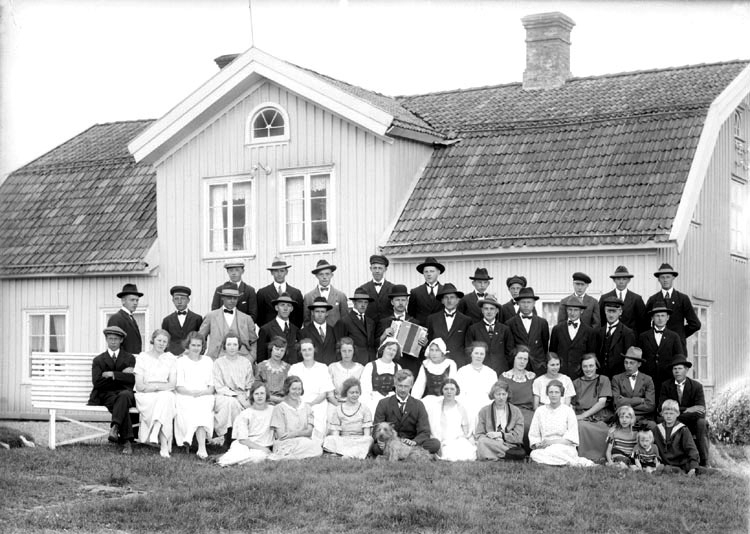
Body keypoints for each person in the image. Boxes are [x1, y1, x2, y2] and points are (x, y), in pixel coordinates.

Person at [87, 325, 137, 454]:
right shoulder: (98, 360)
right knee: (121, 401)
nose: (113, 342)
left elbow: (132, 380)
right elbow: (97, 383)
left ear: (121, 340)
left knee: (124, 396)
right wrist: (121, 375)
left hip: (125, 393)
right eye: (110, 339)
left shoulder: (130, 358)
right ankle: (126, 442)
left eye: (116, 339)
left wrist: (112, 374)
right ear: (106, 339)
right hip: (106, 395)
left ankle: (115, 426)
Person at [371, 369, 441, 456]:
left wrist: (414, 441)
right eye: (400, 386)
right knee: (376, 448)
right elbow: (376, 427)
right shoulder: (383, 403)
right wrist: (381, 441)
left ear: (411, 386)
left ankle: (404, 453)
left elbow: (425, 431)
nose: (403, 390)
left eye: (406, 386)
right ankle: (407, 454)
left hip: (411, 443)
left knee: (435, 444)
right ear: (395, 384)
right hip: (390, 443)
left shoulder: (418, 404)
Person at [528, 380, 595, 466]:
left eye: (556, 392)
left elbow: (571, 438)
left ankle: (563, 462)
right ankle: (570, 462)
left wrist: (551, 442)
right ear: (547, 394)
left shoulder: (568, 411)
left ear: (561, 394)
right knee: (534, 454)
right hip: (545, 447)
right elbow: (534, 434)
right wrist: (538, 444)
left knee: (555, 450)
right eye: (551, 392)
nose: (553, 395)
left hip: (564, 446)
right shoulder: (540, 411)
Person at [659, 355, 709, 467]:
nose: (677, 371)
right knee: (661, 420)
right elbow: (661, 407)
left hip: (691, 422)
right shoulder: (666, 386)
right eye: (674, 369)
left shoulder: (696, 386)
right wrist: (687, 409)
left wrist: (676, 412)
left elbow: (701, 411)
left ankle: (704, 461)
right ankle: (668, 460)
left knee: (702, 423)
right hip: (672, 420)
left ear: (686, 370)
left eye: (680, 368)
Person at [134, 329, 177, 458]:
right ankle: (163, 445)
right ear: (153, 340)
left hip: (162, 394)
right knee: (166, 399)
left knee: (166, 397)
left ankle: (156, 431)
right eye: (159, 340)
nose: (161, 343)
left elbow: (172, 384)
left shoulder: (170, 358)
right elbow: (140, 386)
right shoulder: (142, 357)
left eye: (164, 341)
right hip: (145, 396)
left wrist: (154, 387)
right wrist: (159, 387)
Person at [174, 332, 215, 460]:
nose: (196, 348)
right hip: (185, 395)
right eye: (193, 345)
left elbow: (211, 387)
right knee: (194, 405)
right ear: (188, 345)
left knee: (202, 404)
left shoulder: (208, 361)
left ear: (202, 346)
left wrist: (200, 393)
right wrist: (192, 393)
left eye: (199, 345)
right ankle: (201, 447)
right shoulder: (181, 361)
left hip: (204, 395)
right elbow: (179, 387)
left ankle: (193, 440)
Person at [645, 263, 701, 353]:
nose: (665, 280)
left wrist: (679, 335)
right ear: (658, 279)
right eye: (662, 277)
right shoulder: (653, 299)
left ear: (673, 278)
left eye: (668, 277)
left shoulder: (682, 299)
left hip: (677, 346)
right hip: (657, 348)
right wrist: (655, 336)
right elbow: (645, 323)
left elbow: (695, 324)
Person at [217, 382, 275, 466]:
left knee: (258, 457)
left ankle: (226, 462)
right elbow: (242, 440)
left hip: (262, 447)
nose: (259, 396)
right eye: (256, 394)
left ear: (266, 395)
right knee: (241, 452)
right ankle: (222, 462)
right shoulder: (245, 414)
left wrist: (265, 448)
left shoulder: (273, 411)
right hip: (244, 444)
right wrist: (263, 449)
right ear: (252, 396)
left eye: (262, 393)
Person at [288, 339, 336, 439]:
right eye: (304, 350)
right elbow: (291, 391)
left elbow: (324, 393)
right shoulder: (294, 368)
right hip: (298, 403)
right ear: (300, 352)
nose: (307, 352)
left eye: (309, 349)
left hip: (318, 404)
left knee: (317, 431)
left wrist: (311, 404)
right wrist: (301, 404)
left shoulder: (322, 368)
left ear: (314, 350)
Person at [213, 334, 255, 448]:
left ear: (239, 346)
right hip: (224, 395)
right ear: (225, 346)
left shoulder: (245, 362)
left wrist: (247, 395)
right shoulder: (218, 363)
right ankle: (229, 437)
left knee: (246, 405)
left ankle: (242, 438)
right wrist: (236, 396)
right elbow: (219, 386)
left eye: (235, 344)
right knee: (231, 403)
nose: (232, 347)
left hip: (243, 395)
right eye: (229, 344)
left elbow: (250, 383)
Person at [269, 376, 324, 460]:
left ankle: (288, 457)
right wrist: (301, 433)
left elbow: (309, 432)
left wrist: (294, 434)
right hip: (285, 443)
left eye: (299, 389)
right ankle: (287, 455)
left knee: (316, 448)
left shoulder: (307, 407)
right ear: (287, 389)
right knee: (312, 447)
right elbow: (281, 435)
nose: (297, 392)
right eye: (294, 389)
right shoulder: (279, 408)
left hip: (304, 441)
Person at [572, 353, 613, 462]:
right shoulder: (576, 383)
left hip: (598, 415)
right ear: (581, 367)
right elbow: (572, 404)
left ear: (596, 366)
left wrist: (583, 415)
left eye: (591, 366)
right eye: (585, 366)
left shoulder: (604, 380)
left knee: (605, 430)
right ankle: (583, 457)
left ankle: (600, 456)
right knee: (580, 426)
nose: (588, 369)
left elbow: (602, 403)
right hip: (580, 415)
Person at [199, 283, 258, 360]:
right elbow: (200, 338)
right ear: (222, 298)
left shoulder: (247, 319)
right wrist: (200, 357)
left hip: (242, 359)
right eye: (229, 298)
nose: (232, 301)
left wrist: (251, 357)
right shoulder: (211, 316)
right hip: (216, 359)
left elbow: (253, 341)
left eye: (235, 298)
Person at [424, 378, 476, 461]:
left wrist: (469, 440)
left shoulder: (461, 408)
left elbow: (466, 430)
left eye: (452, 389)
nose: (449, 392)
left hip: (457, 439)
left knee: (465, 452)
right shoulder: (434, 408)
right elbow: (431, 427)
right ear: (442, 390)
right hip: (440, 439)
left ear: (456, 390)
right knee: (446, 452)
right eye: (446, 389)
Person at [376, 284, 423, 376]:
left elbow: (419, 350)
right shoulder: (383, 322)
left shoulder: (415, 322)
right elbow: (376, 345)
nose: (400, 303)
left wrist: (422, 344)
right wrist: (383, 335)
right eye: (397, 300)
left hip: (409, 364)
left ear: (407, 302)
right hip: (389, 364)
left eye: (403, 300)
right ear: (392, 302)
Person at [475, 380, 526, 461]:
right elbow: (479, 434)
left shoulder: (516, 411)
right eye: (498, 394)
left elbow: (518, 436)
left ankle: (494, 456)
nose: (501, 397)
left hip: (508, 445)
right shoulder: (484, 411)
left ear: (507, 394)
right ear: (493, 395)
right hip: (490, 443)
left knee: (483, 447)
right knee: (482, 442)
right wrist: (493, 439)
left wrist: (501, 436)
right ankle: (508, 456)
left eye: (504, 394)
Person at [323, 378, 374, 458]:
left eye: (357, 392)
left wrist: (364, 439)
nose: (355, 395)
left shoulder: (364, 408)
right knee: (329, 439)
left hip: (359, 440)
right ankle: (354, 454)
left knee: (369, 440)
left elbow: (367, 434)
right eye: (352, 392)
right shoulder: (338, 409)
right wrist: (337, 441)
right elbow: (335, 433)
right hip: (344, 439)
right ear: (345, 393)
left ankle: (342, 454)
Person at [638, 302, 683, 390]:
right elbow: (639, 358)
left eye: (663, 316)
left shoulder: (674, 336)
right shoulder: (643, 336)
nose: (660, 318)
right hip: (647, 380)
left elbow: (679, 358)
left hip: (668, 380)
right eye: (657, 316)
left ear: (667, 317)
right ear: (652, 318)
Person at [455, 341, 498, 433]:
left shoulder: (491, 373)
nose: (479, 356)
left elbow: (493, 394)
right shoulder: (462, 371)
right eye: (476, 353)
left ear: (485, 355)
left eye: (482, 354)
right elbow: (458, 394)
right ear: (471, 354)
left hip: (485, 403)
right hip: (467, 402)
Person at [549, 297, 597, 378]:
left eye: (576, 310)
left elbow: (591, 356)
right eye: (570, 310)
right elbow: (552, 354)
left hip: (581, 375)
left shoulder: (589, 331)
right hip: (561, 374)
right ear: (566, 310)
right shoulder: (557, 329)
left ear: (581, 311)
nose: (572, 313)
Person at [426, 283, 472, 368]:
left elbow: (468, 346)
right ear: (442, 301)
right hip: (437, 363)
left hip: (459, 363)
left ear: (458, 300)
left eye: (452, 297)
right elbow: (428, 342)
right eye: (446, 298)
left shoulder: (466, 321)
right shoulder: (432, 319)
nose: (449, 301)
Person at [505, 287, 549, 374]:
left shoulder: (542, 322)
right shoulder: (510, 323)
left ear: (534, 303)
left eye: (529, 302)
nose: (526, 305)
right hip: (519, 366)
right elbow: (509, 348)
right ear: (518, 303)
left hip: (538, 366)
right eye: (523, 302)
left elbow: (545, 345)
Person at [465, 295, 514, 374]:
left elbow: (510, 352)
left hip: (500, 370)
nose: (489, 311)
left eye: (492, 309)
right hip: (480, 370)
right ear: (482, 310)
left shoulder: (505, 329)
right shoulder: (473, 329)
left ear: (497, 311)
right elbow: (469, 352)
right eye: (486, 308)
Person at [500, 346, 537, 449]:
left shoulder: (532, 377)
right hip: (509, 411)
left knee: (529, 425)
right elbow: (500, 397)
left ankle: (529, 451)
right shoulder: (505, 376)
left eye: (525, 359)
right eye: (520, 358)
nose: (522, 362)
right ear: (514, 358)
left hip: (528, 411)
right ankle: (512, 451)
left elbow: (536, 398)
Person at [653, 399, 700, 475]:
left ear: (677, 414)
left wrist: (693, 467)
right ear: (662, 414)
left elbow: (691, 449)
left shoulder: (683, 429)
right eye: (666, 413)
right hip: (663, 463)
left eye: (671, 413)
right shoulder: (657, 429)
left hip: (680, 463)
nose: (668, 416)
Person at [256, 257, 304, 328]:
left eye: (282, 271)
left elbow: (299, 317)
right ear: (271, 272)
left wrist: (293, 331)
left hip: (290, 332)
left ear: (286, 272)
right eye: (276, 271)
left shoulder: (296, 293)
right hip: (270, 332)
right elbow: (259, 317)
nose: (279, 274)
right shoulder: (263, 293)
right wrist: (267, 330)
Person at [611, 347, 656, 424]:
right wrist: (640, 400)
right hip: (622, 418)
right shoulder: (616, 379)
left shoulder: (647, 379)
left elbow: (650, 405)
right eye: (626, 362)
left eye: (631, 363)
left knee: (652, 426)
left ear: (639, 364)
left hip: (642, 419)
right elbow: (616, 403)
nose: (628, 366)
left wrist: (625, 402)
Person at [598, 265, 648, 334]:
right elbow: (600, 320)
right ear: (614, 280)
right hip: (611, 336)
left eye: (624, 279)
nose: (621, 282)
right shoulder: (605, 298)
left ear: (629, 280)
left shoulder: (636, 299)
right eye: (618, 279)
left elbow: (643, 322)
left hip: (631, 337)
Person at [334, 287, 377, 365]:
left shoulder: (370, 322)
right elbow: (339, 346)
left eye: (366, 302)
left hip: (370, 361)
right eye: (360, 302)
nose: (363, 305)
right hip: (354, 362)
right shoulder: (344, 321)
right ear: (354, 302)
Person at [597, 296, 636, 378]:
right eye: (609, 311)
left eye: (614, 311)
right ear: (605, 311)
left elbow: (629, 358)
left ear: (620, 312)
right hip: (601, 376)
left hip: (619, 377)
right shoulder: (599, 332)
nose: (611, 315)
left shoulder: (627, 333)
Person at [360, 338, 402, 415]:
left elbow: (400, 388)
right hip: (373, 401)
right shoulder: (370, 366)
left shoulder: (398, 368)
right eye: (389, 348)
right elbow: (365, 389)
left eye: (394, 350)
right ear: (383, 349)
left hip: (391, 401)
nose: (391, 352)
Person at [256, 293, 302, 364]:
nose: (285, 308)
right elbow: (261, 357)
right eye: (282, 305)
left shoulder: (296, 330)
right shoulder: (266, 329)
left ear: (292, 309)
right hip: (274, 369)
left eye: (289, 305)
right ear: (276, 308)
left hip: (293, 369)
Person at [302, 259, 348, 326]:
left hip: (335, 332)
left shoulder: (341, 296)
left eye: (327, 274)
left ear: (332, 275)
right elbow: (307, 320)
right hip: (315, 332)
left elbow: (345, 319)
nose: (324, 277)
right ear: (316, 276)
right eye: (321, 274)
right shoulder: (308, 297)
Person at [161, 285, 203, 355]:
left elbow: (202, 340)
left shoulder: (197, 319)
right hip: (172, 357)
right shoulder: (167, 320)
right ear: (173, 300)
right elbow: (164, 340)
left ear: (188, 300)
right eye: (176, 299)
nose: (179, 302)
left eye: (183, 299)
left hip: (191, 356)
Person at [408, 256, 446, 326]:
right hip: (422, 329)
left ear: (438, 272)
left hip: (441, 328)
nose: (429, 274)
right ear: (423, 273)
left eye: (432, 271)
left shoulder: (445, 291)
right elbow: (411, 314)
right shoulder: (415, 292)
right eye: (426, 271)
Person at [107, 283, 143, 354]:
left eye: (137, 300)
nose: (135, 303)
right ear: (123, 301)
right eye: (132, 300)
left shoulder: (131, 318)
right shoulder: (116, 318)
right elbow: (113, 345)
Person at [254, 336, 291, 405]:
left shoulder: (288, 368)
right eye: (276, 349)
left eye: (282, 350)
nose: (279, 353)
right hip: (265, 401)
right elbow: (256, 388)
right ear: (271, 349)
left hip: (284, 403)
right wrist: (275, 399)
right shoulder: (261, 367)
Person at [300, 297, 338, 364]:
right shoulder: (303, 332)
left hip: (330, 367)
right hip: (312, 368)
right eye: (317, 311)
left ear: (327, 313)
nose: (320, 315)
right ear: (312, 312)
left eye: (322, 312)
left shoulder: (334, 331)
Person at [360, 254, 395, 325]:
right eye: (375, 268)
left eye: (380, 268)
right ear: (371, 269)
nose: (377, 271)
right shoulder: (363, 289)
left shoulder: (393, 288)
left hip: (388, 327)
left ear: (385, 269)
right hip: (369, 328)